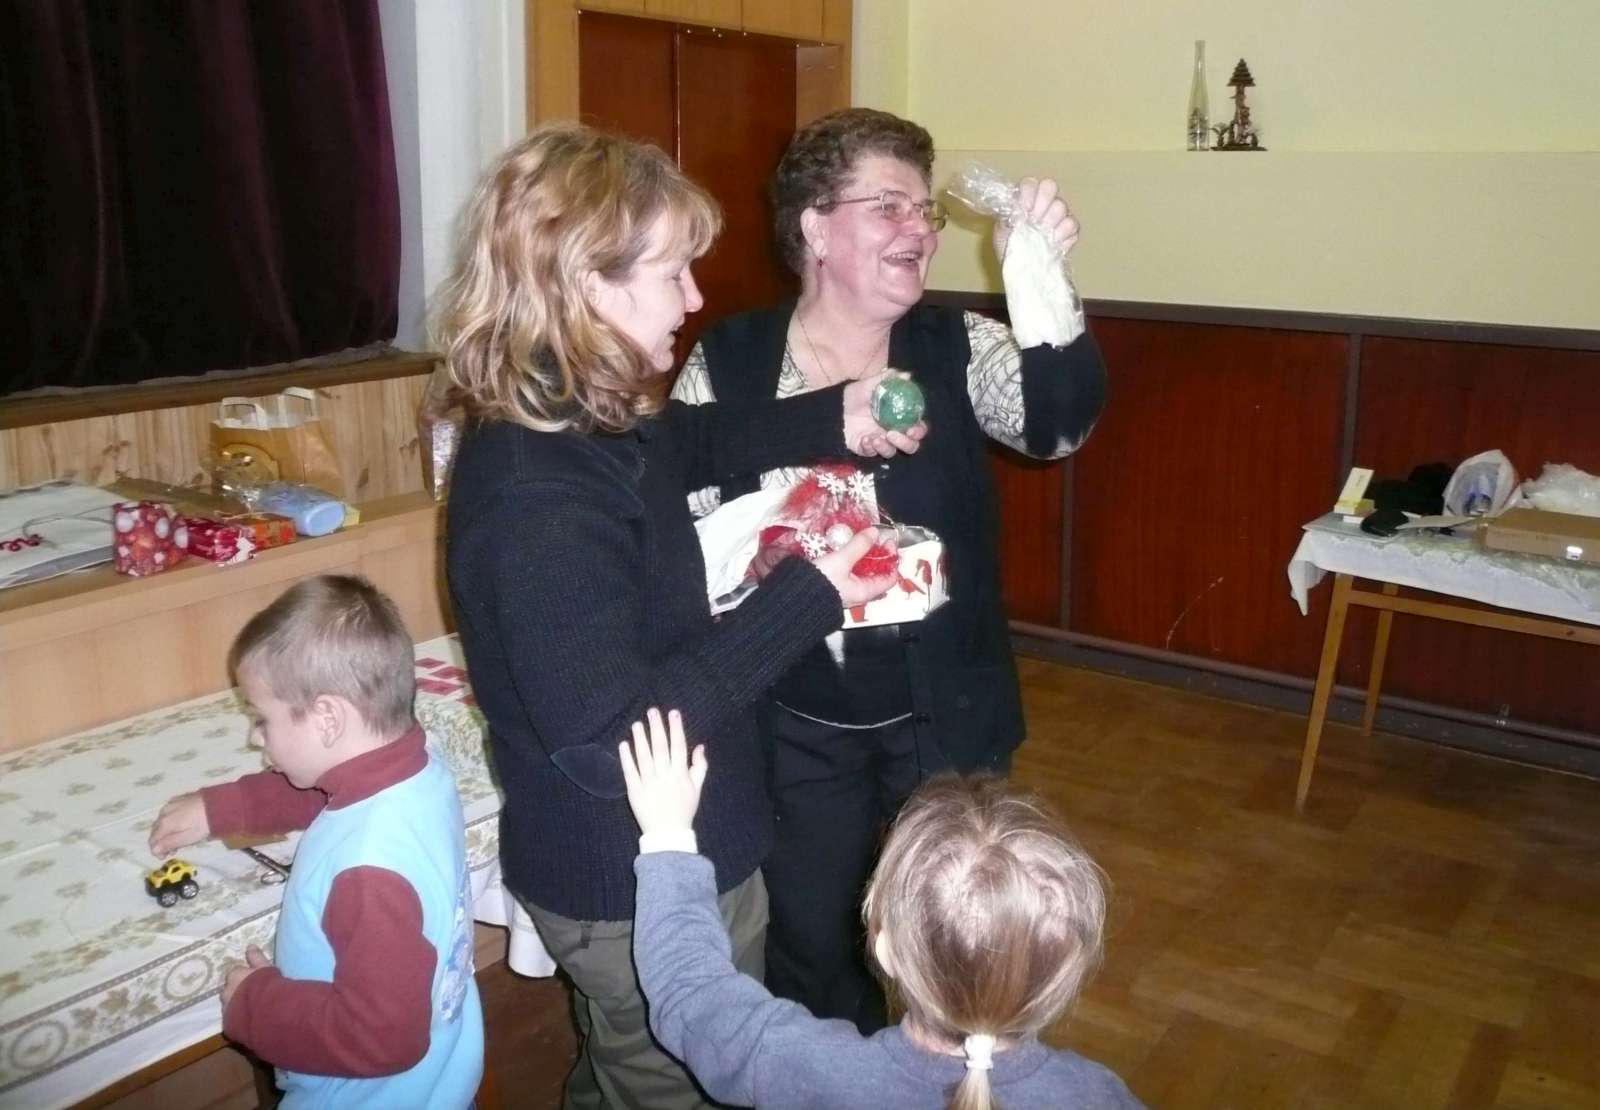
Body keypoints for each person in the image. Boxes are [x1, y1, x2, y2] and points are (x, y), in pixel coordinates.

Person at [436, 123, 922, 1110]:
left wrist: (831, 415)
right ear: (587, 284)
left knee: (633, 1072)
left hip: (683, 846)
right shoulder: (536, 494)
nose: (695, 299)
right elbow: (608, 737)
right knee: (676, 1086)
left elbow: (685, 442)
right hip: (630, 875)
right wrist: (810, 594)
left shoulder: (582, 413)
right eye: (672, 274)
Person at [672, 107, 1109, 1033]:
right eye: (888, 207)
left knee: (960, 947)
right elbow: (683, 513)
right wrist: (761, 555)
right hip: (792, 715)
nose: (920, 228)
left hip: (946, 706)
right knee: (812, 942)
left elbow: (1057, 428)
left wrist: (1042, 286)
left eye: (925, 210)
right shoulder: (731, 359)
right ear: (815, 228)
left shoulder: (956, 346)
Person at [619, 707, 1143, 1110]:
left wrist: (668, 839)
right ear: (1067, 971)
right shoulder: (1096, 1095)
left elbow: (690, 992)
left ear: (886, 948)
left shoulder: (806, 1069)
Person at [147, 575, 483, 1109]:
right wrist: (222, 808)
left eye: (263, 719)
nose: (255, 736)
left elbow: (381, 1037)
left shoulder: (369, 874)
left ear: (327, 718)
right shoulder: (419, 765)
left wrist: (256, 1002)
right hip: (441, 1074)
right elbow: (324, 790)